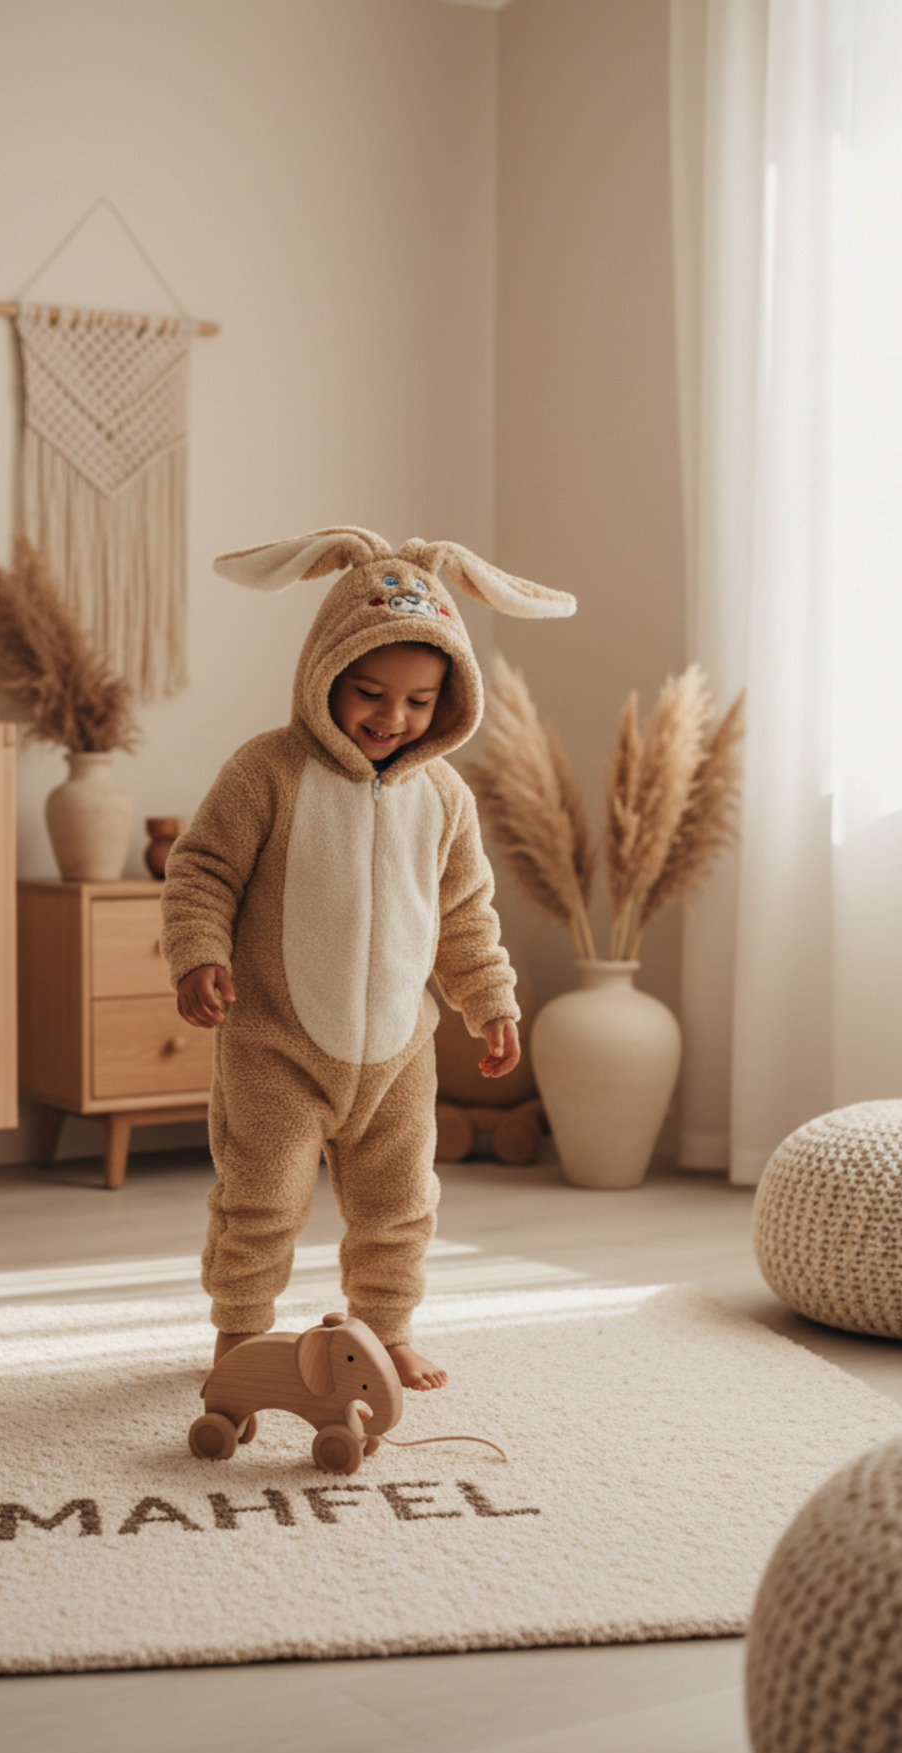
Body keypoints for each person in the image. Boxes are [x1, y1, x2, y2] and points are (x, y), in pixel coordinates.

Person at [161, 527, 575, 1391]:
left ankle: (383, 1329)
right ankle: (239, 1334)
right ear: (324, 673)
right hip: (275, 1043)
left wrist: (489, 1001)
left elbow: (465, 913)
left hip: (396, 1054)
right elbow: (201, 867)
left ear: (449, 700)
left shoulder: (445, 799)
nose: (393, 718)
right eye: (369, 692)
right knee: (260, 1199)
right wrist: (198, 952)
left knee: (400, 1206)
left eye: (421, 702)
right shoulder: (265, 772)